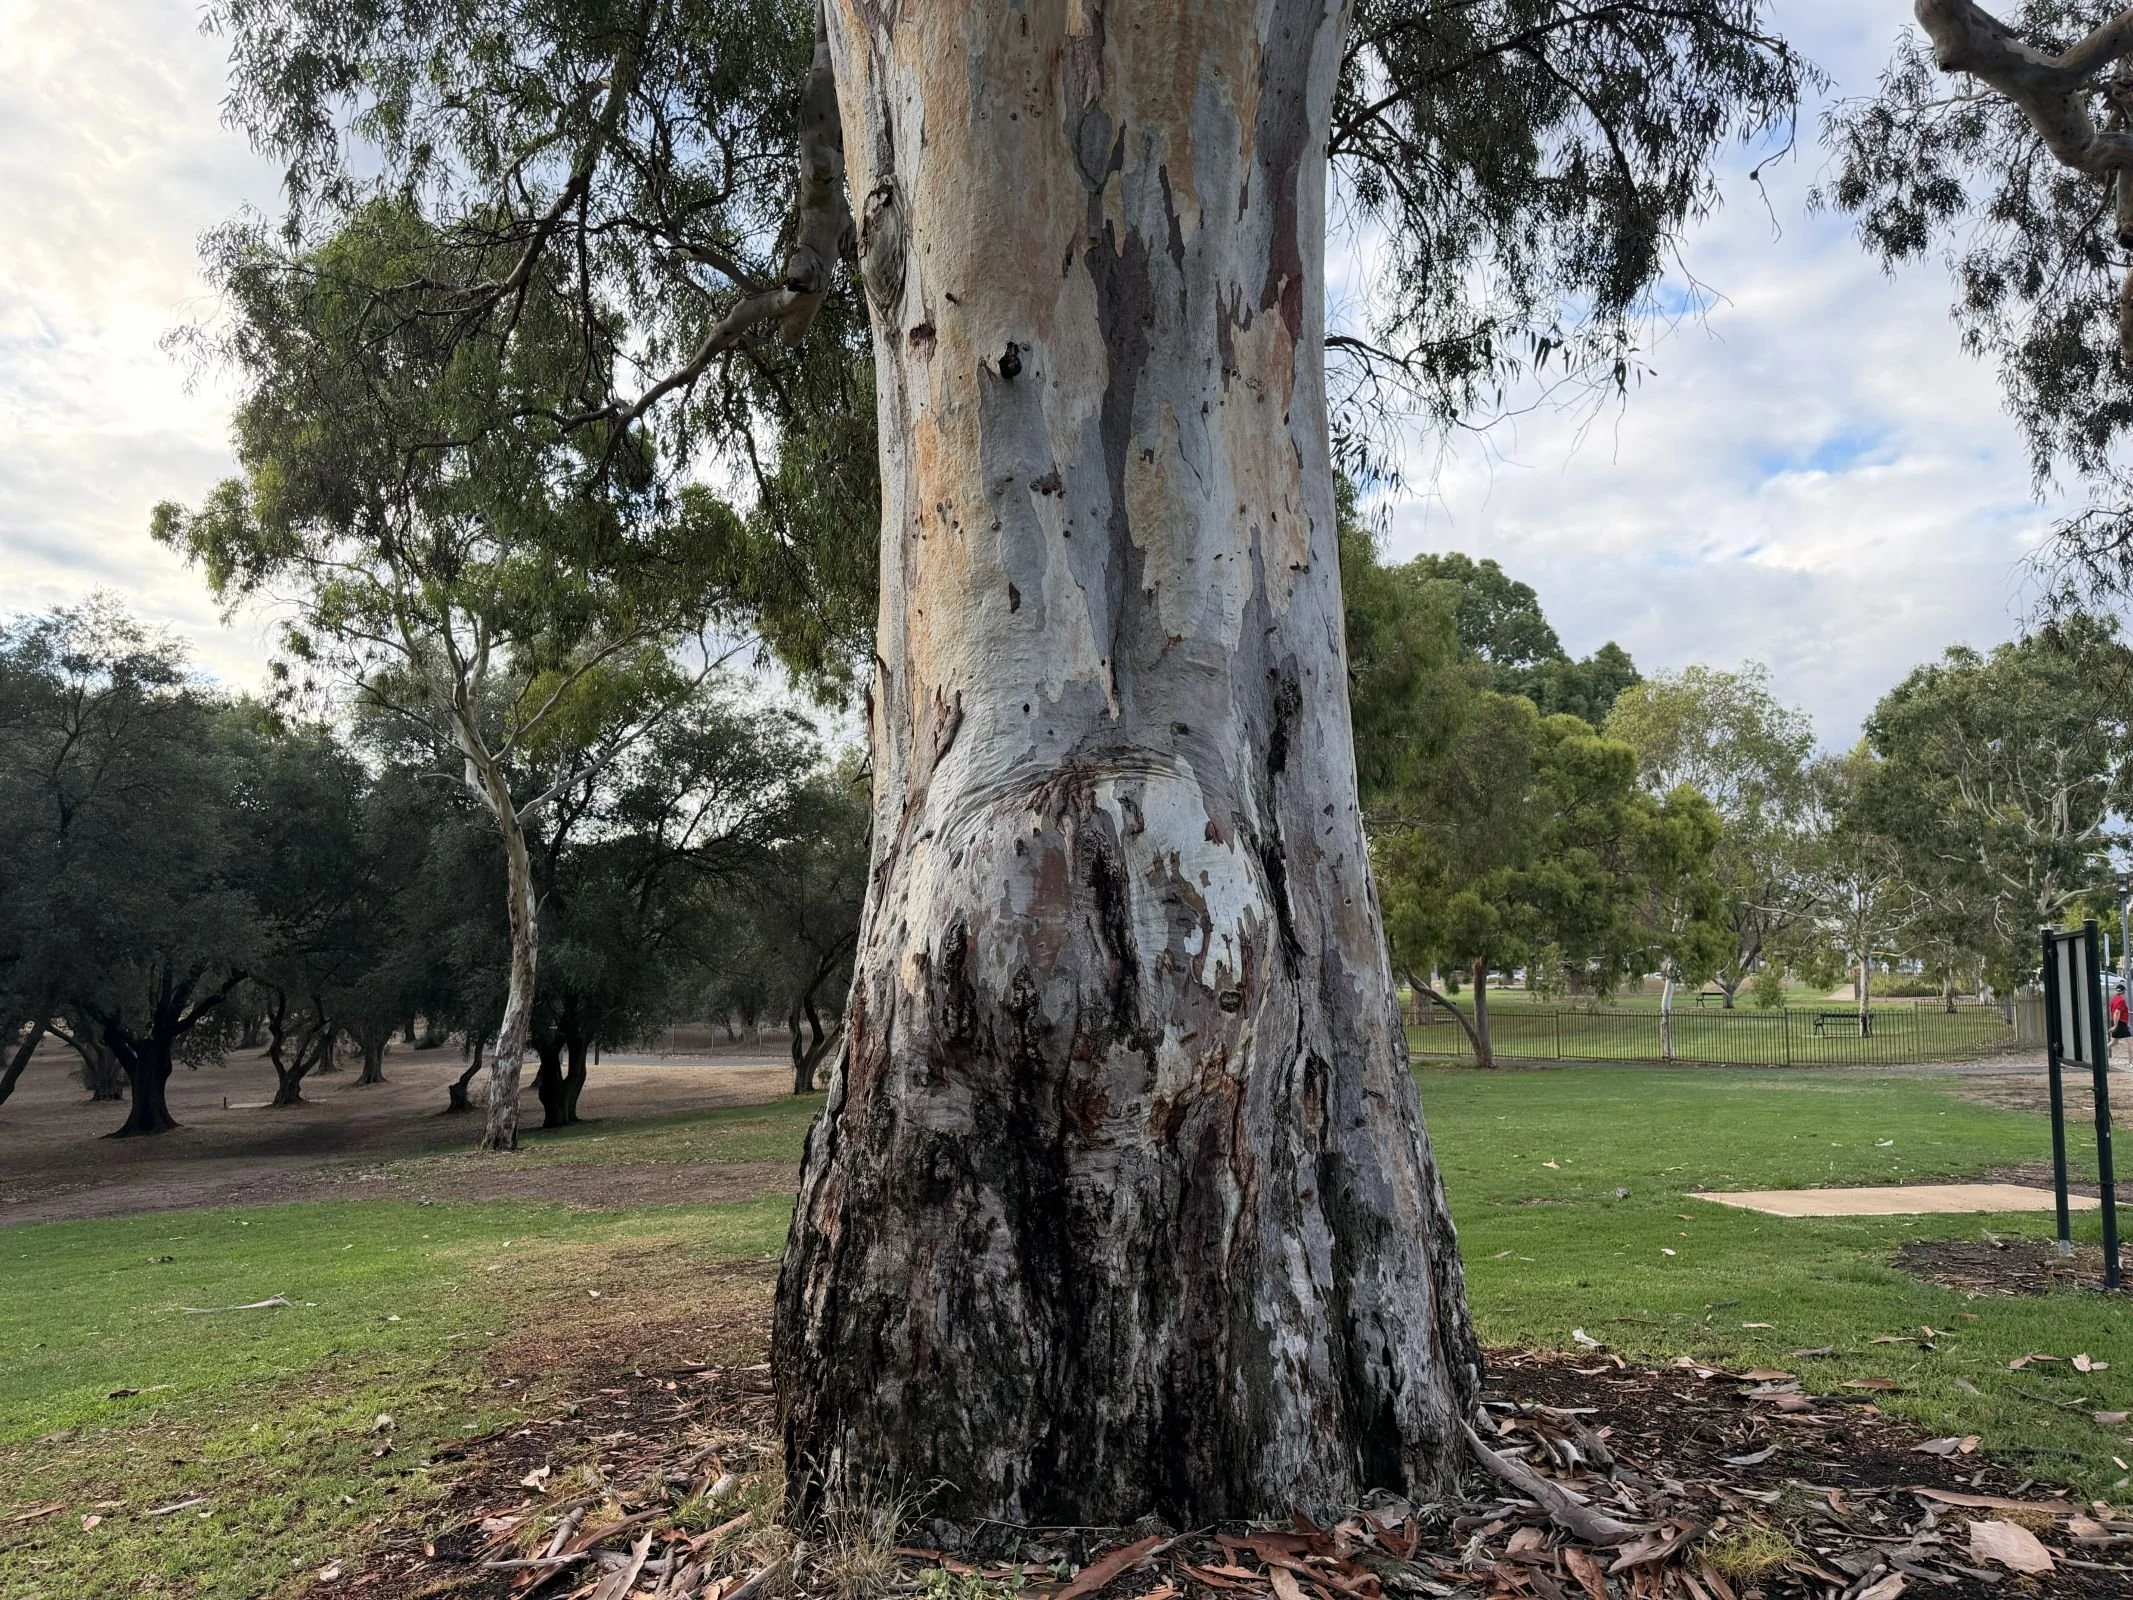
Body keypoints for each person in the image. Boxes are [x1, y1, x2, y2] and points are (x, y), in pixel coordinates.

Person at [2111, 985, 2130, 1065]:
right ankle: (2131, 1063)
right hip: (2120, 1023)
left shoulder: (2114, 999)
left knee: (2114, 1042)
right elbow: (2117, 1012)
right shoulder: (2121, 1001)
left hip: (2118, 1022)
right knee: (2130, 1042)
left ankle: (2101, 1052)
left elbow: (2113, 1012)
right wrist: (2115, 1025)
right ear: (2123, 991)